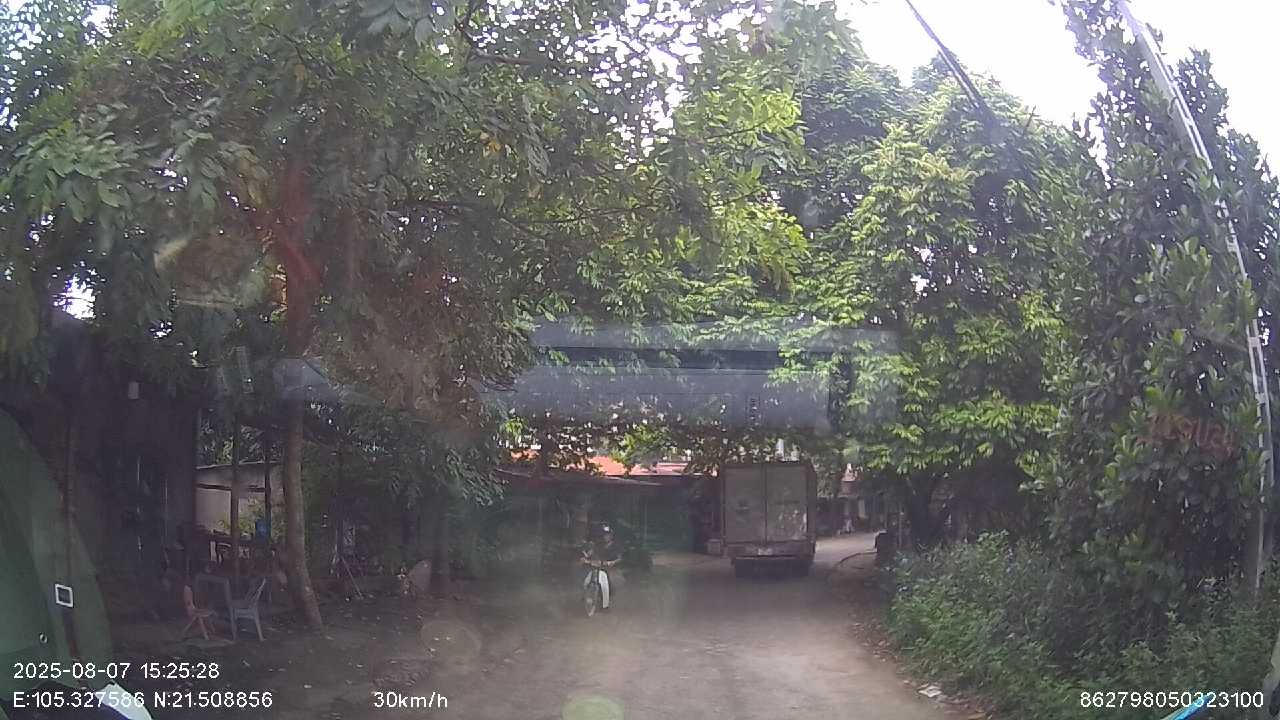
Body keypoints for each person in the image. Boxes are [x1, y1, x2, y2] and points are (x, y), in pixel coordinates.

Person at [582, 523, 624, 605]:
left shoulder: (616, 546)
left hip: (610, 568)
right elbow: (590, 553)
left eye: (607, 535)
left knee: (610, 580)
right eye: (604, 535)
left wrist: (613, 562)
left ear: (611, 535)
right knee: (586, 578)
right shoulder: (598, 545)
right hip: (598, 567)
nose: (605, 537)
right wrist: (585, 557)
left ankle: (608, 599)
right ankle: (585, 595)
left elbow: (620, 558)